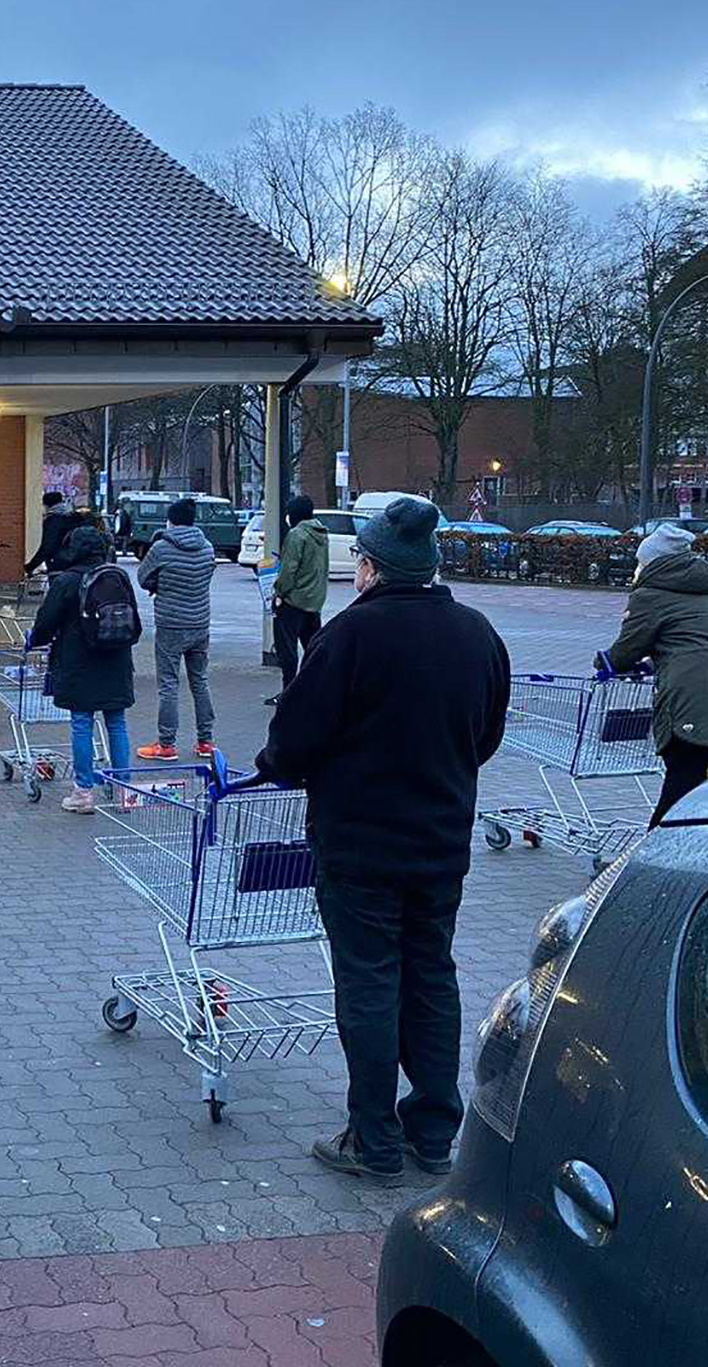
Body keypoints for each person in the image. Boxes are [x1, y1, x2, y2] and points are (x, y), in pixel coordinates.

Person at [255, 495, 510, 1185]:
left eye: (361, 560)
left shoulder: (349, 637)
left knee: (368, 983)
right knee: (432, 977)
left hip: (359, 846)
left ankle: (372, 1139)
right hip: (440, 843)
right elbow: (485, 736)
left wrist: (276, 767)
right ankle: (433, 1132)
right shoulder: (477, 634)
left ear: (371, 567)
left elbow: (294, 742)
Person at [602, 523, 708, 826]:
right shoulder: (707, 592)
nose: (638, 567)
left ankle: (648, 858)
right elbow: (693, 642)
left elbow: (626, 651)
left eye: (641, 561)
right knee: (691, 780)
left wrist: (604, 662)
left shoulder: (651, 593)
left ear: (654, 562)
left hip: (692, 697)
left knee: (680, 786)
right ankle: (689, 849)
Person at [29, 523, 141, 813]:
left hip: (79, 661)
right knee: (116, 722)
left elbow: (46, 622)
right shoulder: (116, 575)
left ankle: (83, 793)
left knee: (82, 723)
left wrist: (35, 641)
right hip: (116, 659)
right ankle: (125, 792)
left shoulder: (67, 581)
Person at [134, 497, 218, 761]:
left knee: (168, 684)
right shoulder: (207, 547)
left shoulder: (160, 548)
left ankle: (167, 744)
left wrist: (159, 585)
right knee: (200, 681)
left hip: (171, 623)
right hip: (200, 623)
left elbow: (142, 577)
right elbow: (206, 576)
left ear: (170, 521)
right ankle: (206, 742)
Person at [268, 494, 329, 705]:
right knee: (312, 649)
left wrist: (279, 592)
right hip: (314, 601)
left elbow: (289, 571)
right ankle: (312, 691)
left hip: (293, 601)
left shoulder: (297, 535)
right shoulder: (321, 533)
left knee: (287, 651)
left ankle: (289, 694)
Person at [24, 491, 73, 575]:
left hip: (58, 564)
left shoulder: (53, 520)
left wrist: (31, 566)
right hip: (72, 563)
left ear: (47, 505)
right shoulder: (70, 517)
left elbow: (48, 546)